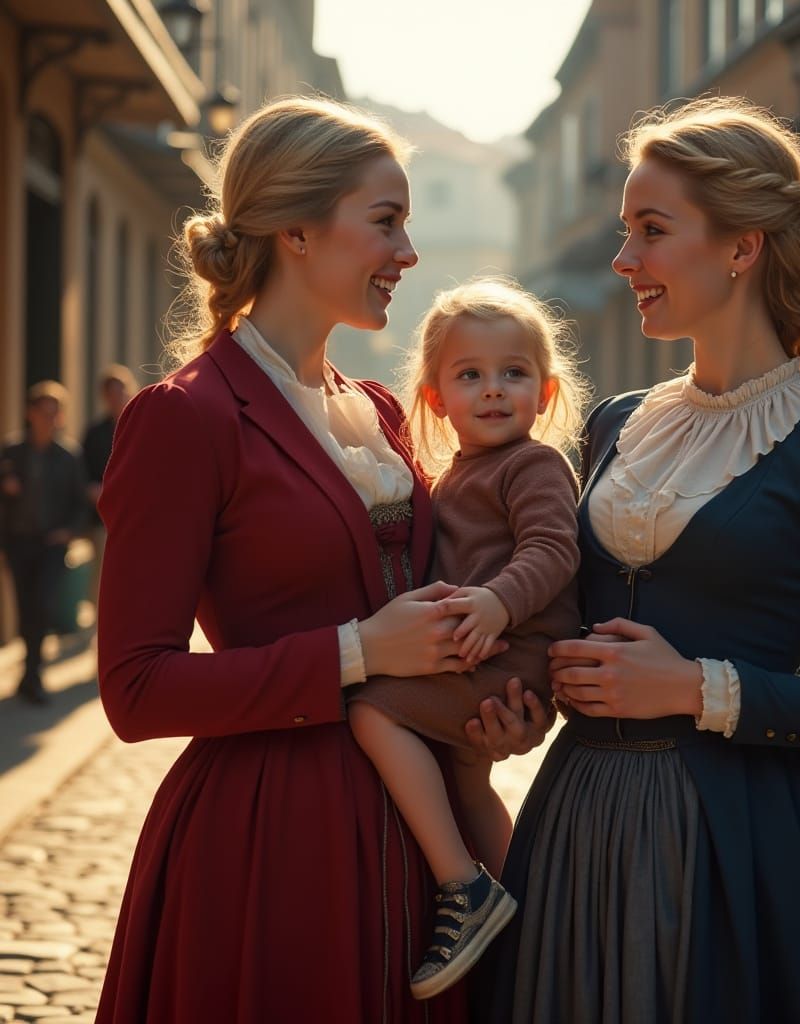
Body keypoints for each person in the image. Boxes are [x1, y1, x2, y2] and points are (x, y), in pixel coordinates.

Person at [476, 96, 800, 1023]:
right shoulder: (614, 425)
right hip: (578, 826)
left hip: (750, 850)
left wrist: (698, 688)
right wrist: (519, 699)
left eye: (652, 231)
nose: (624, 262)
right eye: (624, 232)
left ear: (742, 246)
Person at [94, 97, 546, 1024]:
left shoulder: (379, 410)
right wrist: (357, 653)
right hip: (271, 840)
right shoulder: (186, 416)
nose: (409, 253)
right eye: (386, 221)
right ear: (296, 229)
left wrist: (491, 711)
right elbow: (135, 690)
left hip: (421, 842)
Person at [347, 278, 586, 999]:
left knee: (371, 710)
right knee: (462, 780)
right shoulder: (450, 476)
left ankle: (462, 885)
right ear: (434, 397)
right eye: (470, 375)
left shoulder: (532, 464)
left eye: (513, 374)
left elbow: (553, 550)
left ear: (543, 393)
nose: (492, 391)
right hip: (479, 652)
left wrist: (495, 602)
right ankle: (525, 909)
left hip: (513, 652)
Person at [0, 381, 87, 704]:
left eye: (54, 413)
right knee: (25, 607)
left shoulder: (68, 456)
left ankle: (33, 674)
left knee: (42, 605)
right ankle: (29, 673)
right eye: (42, 412)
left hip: (51, 545)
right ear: (30, 414)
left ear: (61, 417)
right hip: (19, 543)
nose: (48, 419)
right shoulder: (12, 452)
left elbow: (81, 503)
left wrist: (68, 532)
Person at [81, 365, 137, 605]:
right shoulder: (94, 433)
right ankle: (100, 622)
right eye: (111, 393)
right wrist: (92, 489)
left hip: (137, 514)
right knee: (104, 571)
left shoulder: (141, 424)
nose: (116, 397)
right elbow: (82, 473)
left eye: (120, 391)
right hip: (103, 516)